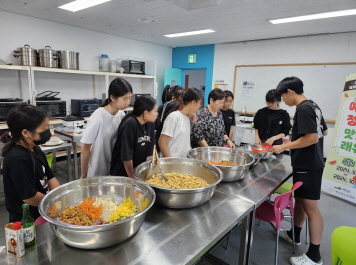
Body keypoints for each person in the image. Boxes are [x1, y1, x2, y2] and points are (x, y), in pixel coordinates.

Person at [272, 77, 328, 265]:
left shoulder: (303, 108)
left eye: (282, 96)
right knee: (302, 203)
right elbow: (323, 132)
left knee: (312, 209)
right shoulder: (313, 105)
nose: (283, 101)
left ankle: (314, 256)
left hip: (308, 165)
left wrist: (284, 147)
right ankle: (294, 234)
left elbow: (311, 138)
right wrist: (294, 140)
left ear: (289, 91)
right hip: (311, 162)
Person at [1, 104, 61, 222]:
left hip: (42, 211)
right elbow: (30, 197)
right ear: (26, 133)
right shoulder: (18, 159)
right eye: (44, 128)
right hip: (27, 220)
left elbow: (50, 177)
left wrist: (60, 198)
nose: (47, 131)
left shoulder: (34, 148)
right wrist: (53, 205)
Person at [80, 78, 132, 178]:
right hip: (98, 171)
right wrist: (83, 175)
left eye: (130, 98)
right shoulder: (98, 117)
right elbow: (85, 149)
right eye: (125, 98)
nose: (128, 102)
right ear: (112, 97)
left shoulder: (121, 115)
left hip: (114, 169)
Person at [110, 96, 158, 178]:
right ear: (146, 113)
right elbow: (126, 157)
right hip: (123, 174)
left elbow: (150, 149)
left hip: (137, 172)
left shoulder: (150, 123)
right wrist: (132, 177)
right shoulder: (130, 124)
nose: (157, 113)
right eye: (155, 111)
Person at [159, 88, 203, 158]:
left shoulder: (187, 118)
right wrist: (170, 160)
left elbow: (184, 142)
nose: (200, 106)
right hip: (171, 163)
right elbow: (162, 142)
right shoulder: (174, 117)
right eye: (199, 103)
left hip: (182, 162)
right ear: (193, 102)